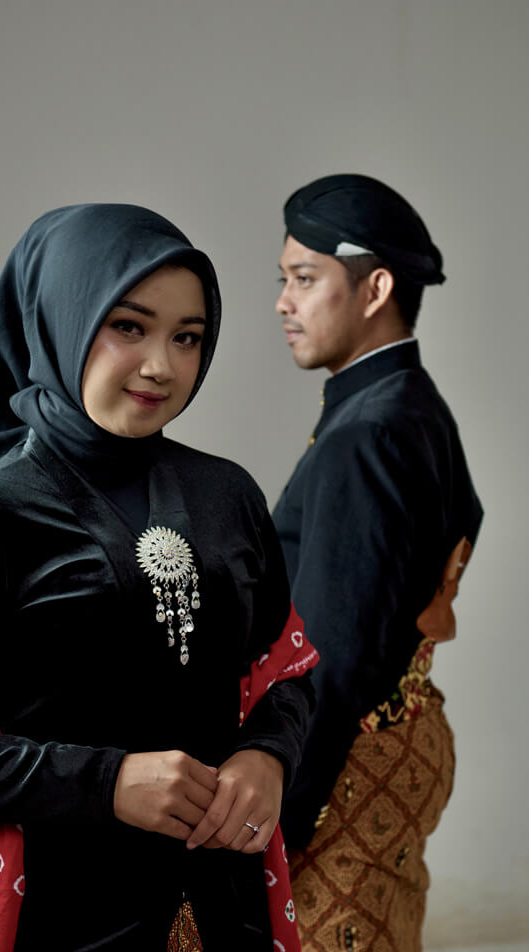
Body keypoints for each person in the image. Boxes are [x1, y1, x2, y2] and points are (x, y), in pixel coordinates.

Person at [0, 204, 317, 951]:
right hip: (65, 912)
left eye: (187, 337)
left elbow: (286, 673)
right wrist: (106, 784)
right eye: (129, 327)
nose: (160, 366)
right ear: (63, 321)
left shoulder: (229, 496)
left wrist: (267, 756)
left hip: (226, 903)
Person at [272, 175, 483, 951]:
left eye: (304, 279)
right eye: (283, 280)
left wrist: (277, 821)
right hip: (402, 736)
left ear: (376, 288)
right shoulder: (412, 404)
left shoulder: (365, 432)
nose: (282, 303)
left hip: (345, 765)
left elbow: (331, 660)